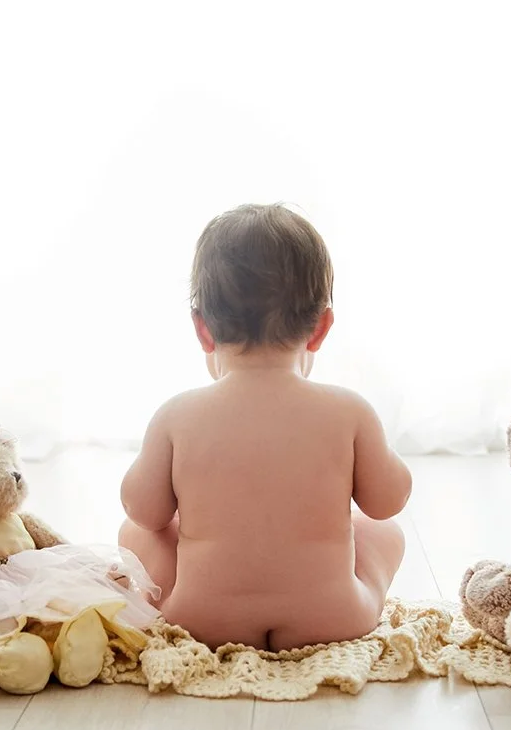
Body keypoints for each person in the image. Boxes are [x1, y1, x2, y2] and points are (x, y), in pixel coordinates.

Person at [119, 203, 410, 649]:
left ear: (203, 330)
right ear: (320, 328)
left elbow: (144, 511)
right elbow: (388, 502)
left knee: (136, 532)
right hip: (333, 616)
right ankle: (352, 594)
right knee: (384, 533)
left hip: (201, 619)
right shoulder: (349, 411)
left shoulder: (177, 415)